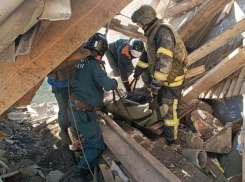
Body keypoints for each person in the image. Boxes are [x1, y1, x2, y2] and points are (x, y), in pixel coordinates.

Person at [131, 4, 188, 143]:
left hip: (172, 78)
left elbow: (165, 62)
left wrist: (155, 86)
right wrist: (136, 72)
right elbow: (146, 56)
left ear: (145, 19)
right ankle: (162, 129)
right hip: (164, 77)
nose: (138, 26)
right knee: (161, 103)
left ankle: (171, 140)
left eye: (138, 23)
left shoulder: (163, 32)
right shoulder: (153, 32)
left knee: (170, 110)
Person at [67, 33, 118, 181]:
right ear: (102, 51)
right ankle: (81, 171)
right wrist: (114, 82)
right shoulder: (96, 66)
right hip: (82, 114)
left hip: (75, 111)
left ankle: (83, 156)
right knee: (97, 146)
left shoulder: (81, 62)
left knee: (90, 137)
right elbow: (108, 84)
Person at [47, 59, 78, 145]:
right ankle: (64, 131)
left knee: (77, 107)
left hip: (74, 80)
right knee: (64, 109)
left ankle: (75, 131)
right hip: (58, 84)